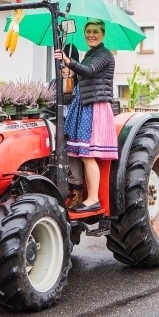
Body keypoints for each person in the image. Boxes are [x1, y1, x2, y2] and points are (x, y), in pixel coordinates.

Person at [53, 20, 118, 212]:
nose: (91, 35)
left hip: (95, 106)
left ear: (103, 34)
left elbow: (89, 71)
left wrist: (69, 61)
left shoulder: (104, 55)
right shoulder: (90, 54)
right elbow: (84, 74)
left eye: (95, 31)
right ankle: (78, 191)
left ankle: (93, 199)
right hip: (84, 104)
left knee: (88, 154)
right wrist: (69, 68)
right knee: (80, 153)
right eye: (88, 31)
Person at [49, 44, 85, 208]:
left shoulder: (80, 85)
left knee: (72, 151)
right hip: (56, 123)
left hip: (74, 124)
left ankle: (77, 190)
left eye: (68, 66)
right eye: (62, 67)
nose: (65, 70)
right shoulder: (54, 83)